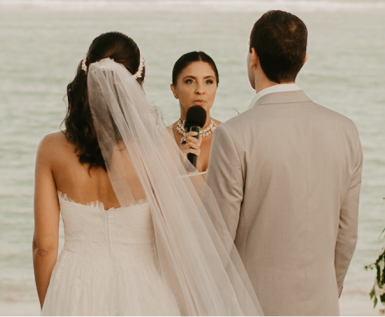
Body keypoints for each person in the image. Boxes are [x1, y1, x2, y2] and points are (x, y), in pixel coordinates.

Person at [32, 32, 261, 316]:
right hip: (143, 288)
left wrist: (52, 304)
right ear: (136, 85)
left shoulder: (51, 149)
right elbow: (183, 232)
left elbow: (44, 247)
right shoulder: (159, 148)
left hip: (75, 285)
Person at [206, 11, 363, 316]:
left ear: (253, 56)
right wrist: (328, 291)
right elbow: (347, 233)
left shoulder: (234, 135)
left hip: (250, 307)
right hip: (322, 305)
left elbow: (214, 241)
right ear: (303, 59)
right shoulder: (345, 130)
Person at [169, 51, 221, 173]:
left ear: (216, 87)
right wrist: (176, 165)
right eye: (190, 81)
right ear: (174, 90)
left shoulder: (230, 137)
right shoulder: (161, 141)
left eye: (208, 82)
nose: (200, 90)